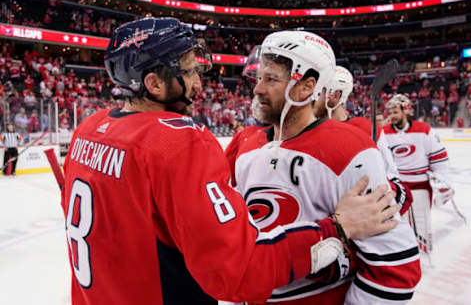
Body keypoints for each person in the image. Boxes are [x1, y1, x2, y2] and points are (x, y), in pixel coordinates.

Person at [60, 17, 399, 305]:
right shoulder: (178, 142)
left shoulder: (89, 129)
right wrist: (336, 228)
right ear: (154, 84)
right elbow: (239, 272)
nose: (198, 83)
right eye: (190, 73)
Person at [225, 32, 420, 304]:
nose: (257, 89)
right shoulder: (245, 145)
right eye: (258, 78)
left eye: (271, 79)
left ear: (306, 87)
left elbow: (396, 267)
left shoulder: (349, 148)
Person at [313, 66, 412, 215]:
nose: (311, 97)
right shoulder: (306, 132)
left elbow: (393, 178)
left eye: (318, 92)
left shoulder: (366, 129)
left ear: (335, 95)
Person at [383, 94, 453, 256]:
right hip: (397, 186)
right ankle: (404, 255)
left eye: (395, 112)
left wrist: (444, 181)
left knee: (421, 223)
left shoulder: (424, 130)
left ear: (406, 110)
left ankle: (421, 256)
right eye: (390, 113)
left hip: (421, 185)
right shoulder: (383, 133)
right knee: (399, 224)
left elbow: (439, 159)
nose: (391, 116)